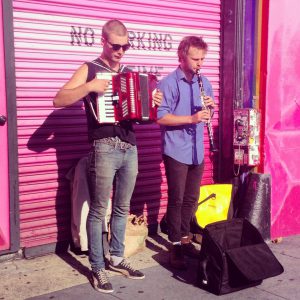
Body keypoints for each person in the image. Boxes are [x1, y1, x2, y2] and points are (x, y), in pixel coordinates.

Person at [53, 19, 162, 294]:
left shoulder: (129, 73)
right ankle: (97, 267)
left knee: (123, 207)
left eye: (126, 46)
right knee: (99, 210)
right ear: (103, 41)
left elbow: (143, 118)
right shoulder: (90, 69)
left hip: (129, 146)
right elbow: (59, 99)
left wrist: (153, 106)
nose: (121, 51)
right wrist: (89, 88)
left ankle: (116, 257)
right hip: (102, 146)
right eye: (116, 45)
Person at [157, 36, 215, 269]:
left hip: (196, 150)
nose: (199, 63)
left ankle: (184, 238)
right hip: (176, 150)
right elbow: (161, 117)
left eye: (202, 59)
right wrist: (191, 118)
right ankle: (175, 246)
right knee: (177, 199)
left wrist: (210, 108)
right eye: (195, 59)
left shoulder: (204, 81)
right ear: (181, 57)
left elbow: (208, 112)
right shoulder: (169, 83)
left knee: (191, 199)